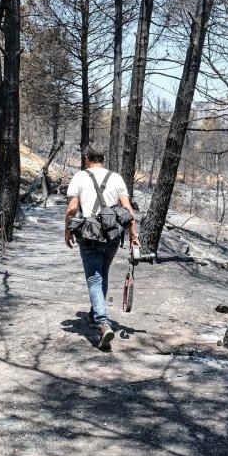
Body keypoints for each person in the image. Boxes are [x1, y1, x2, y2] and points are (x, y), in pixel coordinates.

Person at [64, 144, 138, 349]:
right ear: (103, 158)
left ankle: (103, 324)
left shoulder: (79, 177)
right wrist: (133, 235)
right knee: (102, 273)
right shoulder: (116, 178)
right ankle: (93, 313)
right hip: (113, 235)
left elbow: (72, 208)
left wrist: (67, 230)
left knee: (94, 278)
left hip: (89, 234)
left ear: (87, 158)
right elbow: (127, 209)